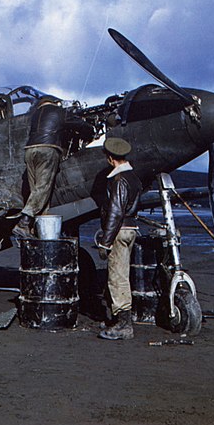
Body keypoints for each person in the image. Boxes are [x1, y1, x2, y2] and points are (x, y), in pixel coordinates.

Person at [12, 95, 90, 238]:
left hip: (30, 151)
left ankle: (37, 229)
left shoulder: (34, 115)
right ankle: (23, 222)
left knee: (35, 191)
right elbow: (79, 124)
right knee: (43, 188)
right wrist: (90, 131)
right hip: (48, 149)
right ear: (54, 103)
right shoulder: (58, 111)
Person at [94, 137, 143, 340]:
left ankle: (124, 325)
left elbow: (115, 211)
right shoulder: (134, 178)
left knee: (117, 277)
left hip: (119, 231)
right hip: (130, 229)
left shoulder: (119, 180)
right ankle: (119, 319)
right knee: (121, 274)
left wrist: (105, 242)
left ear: (110, 158)